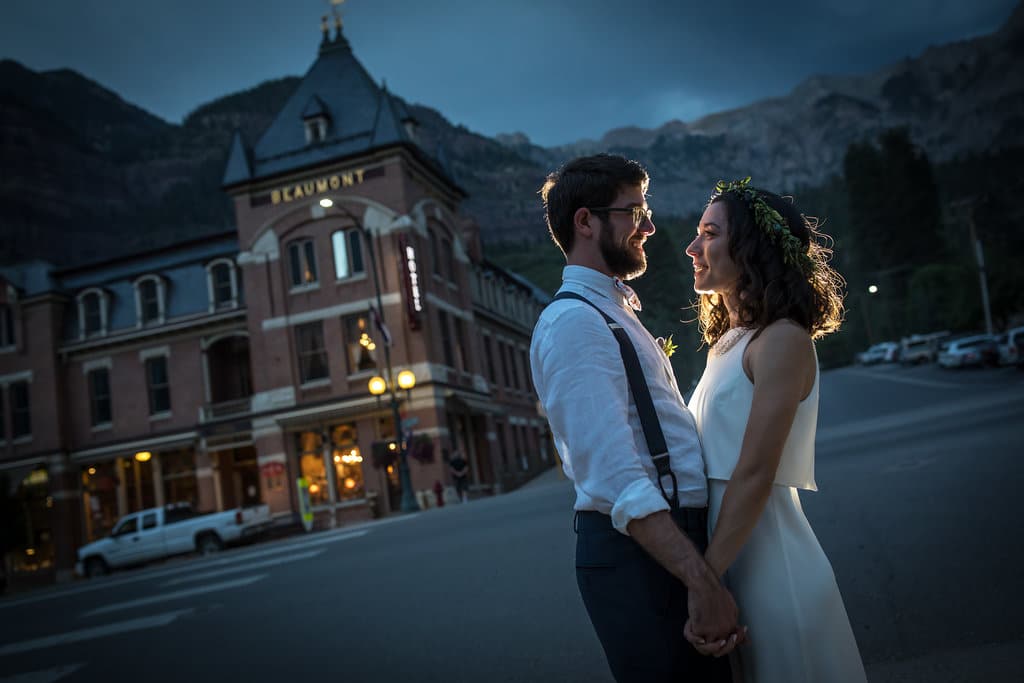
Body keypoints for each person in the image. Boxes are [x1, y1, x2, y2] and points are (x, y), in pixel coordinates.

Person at [530, 154, 741, 683]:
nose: (648, 226)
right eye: (634, 212)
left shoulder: (612, 311)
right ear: (585, 221)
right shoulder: (573, 323)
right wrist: (703, 580)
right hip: (641, 556)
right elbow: (617, 480)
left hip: (667, 545)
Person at [684, 178, 867, 682]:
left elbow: (755, 471)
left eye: (709, 233)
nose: (692, 247)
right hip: (733, 562)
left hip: (773, 570)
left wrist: (705, 581)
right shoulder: (729, 343)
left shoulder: (782, 339)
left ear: (750, 246)